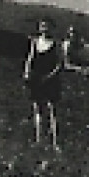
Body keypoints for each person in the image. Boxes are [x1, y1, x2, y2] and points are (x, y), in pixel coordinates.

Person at [23, 20, 64, 150]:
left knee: (53, 111)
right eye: (42, 26)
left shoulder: (56, 44)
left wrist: (50, 76)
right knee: (38, 109)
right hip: (37, 78)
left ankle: (56, 143)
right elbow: (30, 58)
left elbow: (60, 63)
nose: (44, 29)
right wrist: (27, 72)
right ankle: (39, 140)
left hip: (51, 79)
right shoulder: (35, 42)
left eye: (47, 26)